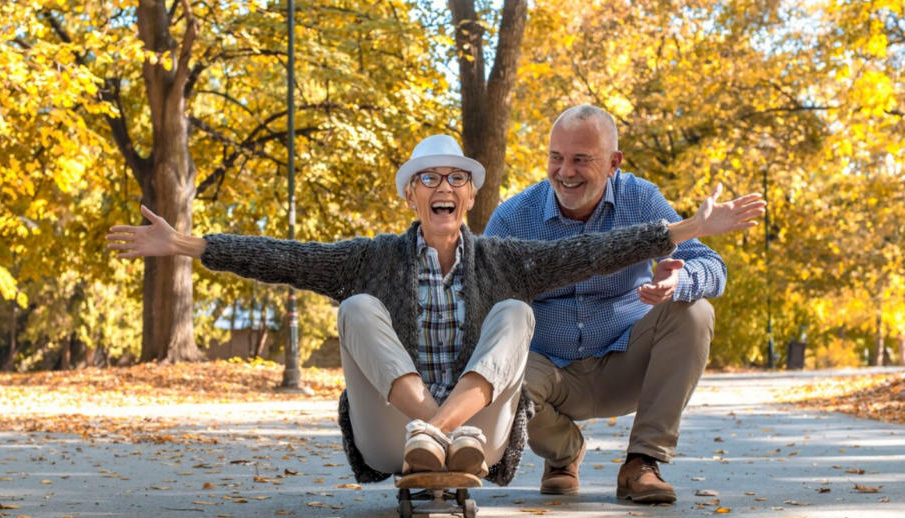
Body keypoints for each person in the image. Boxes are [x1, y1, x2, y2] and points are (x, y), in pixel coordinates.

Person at [108, 134, 763, 487]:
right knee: (359, 307)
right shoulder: (372, 258)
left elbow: (600, 251)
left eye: (455, 178)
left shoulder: (508, 258)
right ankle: (432, 428)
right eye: (429, 178)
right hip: (394, 431)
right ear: (411, 198)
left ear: (471, 198)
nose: (442, 187)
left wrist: (680, 230)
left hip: (482, 436)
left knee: (513, 314)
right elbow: (284, 257)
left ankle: (450, 432)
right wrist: (187, 244)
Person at [486, 104, 735, 502]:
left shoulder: (641, 199)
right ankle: (564, 452)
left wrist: (679, 280)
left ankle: (642, 462)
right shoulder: (514, 217)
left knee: (695, 310)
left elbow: (712, 266)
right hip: (548, 371)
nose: (565, 172)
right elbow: (483, 305)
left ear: (614, 162)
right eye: (556, 157)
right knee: (491, 373)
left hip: (626, 363)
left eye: (581, 160)